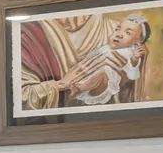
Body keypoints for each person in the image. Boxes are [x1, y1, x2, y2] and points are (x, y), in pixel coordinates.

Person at [16, 11, 150, 110]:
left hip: (105, 96)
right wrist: (59, 85)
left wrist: (132, 63)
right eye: (118, 30)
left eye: (128, 33)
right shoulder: (29, 32)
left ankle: (79, 88)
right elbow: (19, 101)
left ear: (137, 41)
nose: (119, 34)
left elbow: (132, 88)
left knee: (101, 76)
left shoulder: (117, 36)